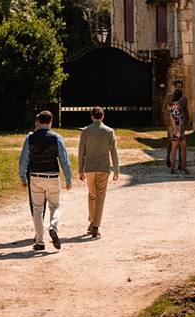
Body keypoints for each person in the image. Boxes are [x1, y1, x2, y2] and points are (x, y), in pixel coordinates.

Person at [17, 110, 72, 251]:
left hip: (35, 176)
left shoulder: (30, 137)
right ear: (50, 121)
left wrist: (23, 177)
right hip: (52, 176)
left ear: (38, 122)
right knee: (55, 206)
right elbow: (64, 160)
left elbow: (23, 159)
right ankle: (53, 227)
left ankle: (40, 241)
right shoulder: (57, 138)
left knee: (37, 209)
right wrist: (68, 178)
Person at [76, 107, 119, 238]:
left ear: (92, 117)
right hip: (103, 168)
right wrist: (116, 169)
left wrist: (80, 170)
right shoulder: (109, 131)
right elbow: (114, 152)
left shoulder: (86, 131)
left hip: (89, 168)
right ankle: (95, 226)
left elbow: (81, 152)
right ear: (103, 116)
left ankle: (91, 222)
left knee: (91, 195)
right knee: (101, 196)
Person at [165, 83, 189, 173]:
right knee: (183, 149)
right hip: (180, 129)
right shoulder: (179, 105)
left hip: (175, 129)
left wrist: (174, 128)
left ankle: (172, 168)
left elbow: (172, 117)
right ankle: (184, 167)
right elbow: (182, 116)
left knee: (174, 149)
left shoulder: (170, 105)